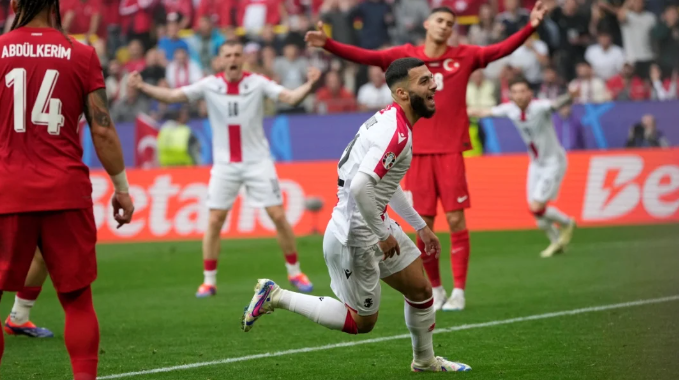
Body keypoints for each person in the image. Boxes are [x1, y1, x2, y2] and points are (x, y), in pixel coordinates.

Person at [305, 3, 548, 311]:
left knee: (457, 219)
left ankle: (459, 290)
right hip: (416, 153)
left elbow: (500, 49)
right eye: (440, 20)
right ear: (427, 24)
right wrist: (329, 44)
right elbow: (368, 56)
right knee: (425, 221)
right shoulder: (408, 59)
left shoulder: (465, 56)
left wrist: (530, 26)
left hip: (450, 151)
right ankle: (437, 288)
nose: (445, 26)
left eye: (450, 22)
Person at [242, 58, 472, 372]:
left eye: (431, 78)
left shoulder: (394, 121)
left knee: (420, 289)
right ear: (402, 94)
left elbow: (384, 185)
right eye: (424, 82)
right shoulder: (396, 133)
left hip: (372, 220)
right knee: (361, 323)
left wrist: (420, 226)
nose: (434, 85)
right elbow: (362, 186)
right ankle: (277, 295)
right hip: (356, 235)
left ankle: (424, 361)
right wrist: (382, 234)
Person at [0, 1, 135, 379]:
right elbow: (103, 128)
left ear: (14, 4)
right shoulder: (81, 54)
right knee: (77, 302)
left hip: (7, 190)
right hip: (65, 190)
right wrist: (122, 188)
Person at [128, 40, 321, 298]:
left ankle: (295, 271)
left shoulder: (257, 82)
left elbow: (290, 97)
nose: (232, 58)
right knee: (215, 220)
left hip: (258, 162)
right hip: (225, 165)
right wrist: (141, 86)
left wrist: (309, 85)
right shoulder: (210, 85)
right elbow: (174, 96)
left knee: (277, 215)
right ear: (220, 60)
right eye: (228, 54)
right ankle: (209, 281)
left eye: (237, 54)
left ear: (243, 59)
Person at [468, 77, 576, 258]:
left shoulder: (540, 107)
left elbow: (556, 105)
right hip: (535, 163)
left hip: (553, 162)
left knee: (537, 207)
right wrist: (454, 110)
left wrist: (570, 96)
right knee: (537, 215)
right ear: (510, 95)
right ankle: (557, 242)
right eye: (515, 92)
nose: (519, 95)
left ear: (530, 93)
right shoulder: (510, 109)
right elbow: (483, 111)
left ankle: (567, 222)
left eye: (522, 91)